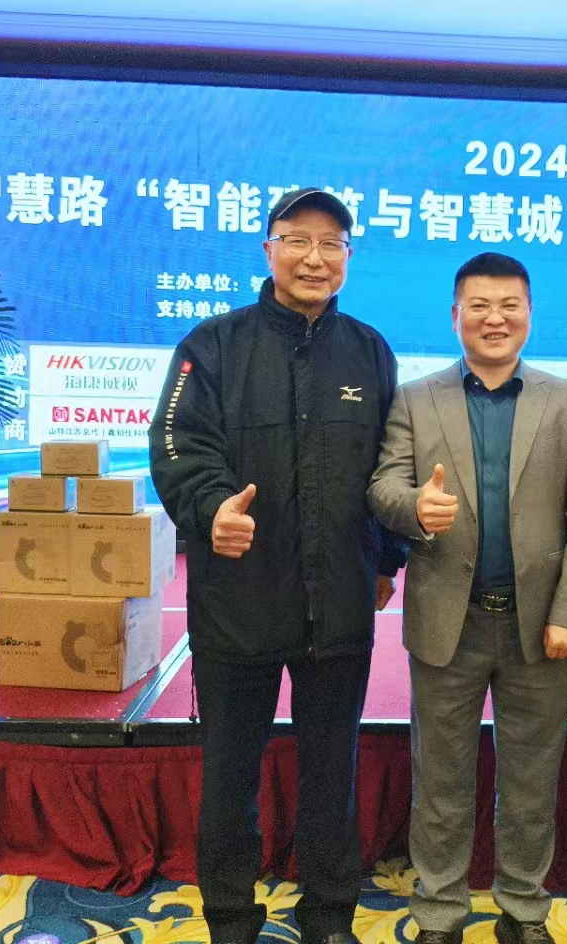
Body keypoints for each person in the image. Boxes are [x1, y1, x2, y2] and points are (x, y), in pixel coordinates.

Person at [149, 187, 406, 944]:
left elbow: (390, 463)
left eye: (332, 244)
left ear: (348, 258)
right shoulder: (212, 345)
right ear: (269, 249)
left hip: (340, 603)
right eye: (298, 240)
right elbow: (177, 445)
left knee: (332, 776)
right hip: (239, 599)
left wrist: (388, 558)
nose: (314, 258)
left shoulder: (370, 351)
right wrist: (211, 511)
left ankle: (328, 917)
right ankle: (231, 919)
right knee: (231, 776)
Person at [368, 252, 567, 944]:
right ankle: (440, 912)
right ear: (455, 316)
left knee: (531, 782)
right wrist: (415, 508)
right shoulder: (416, 398)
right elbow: (384, 487)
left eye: (509, 306)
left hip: (539, 629)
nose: (494, 318)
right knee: (440, 781)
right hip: (448, 621)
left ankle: (523, 909)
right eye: (479, 305)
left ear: (529, 315)